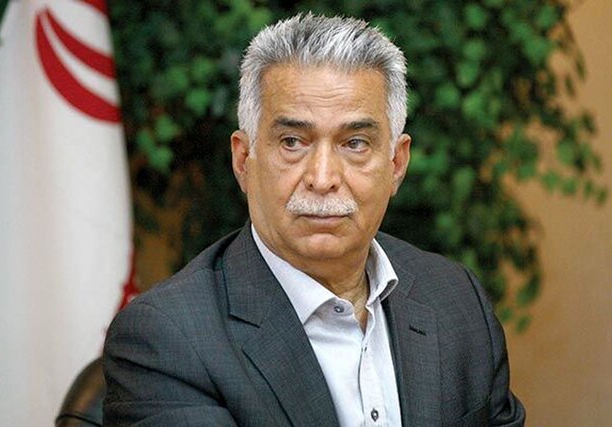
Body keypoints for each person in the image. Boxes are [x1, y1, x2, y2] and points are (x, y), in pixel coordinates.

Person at [103, 13, 525, 427]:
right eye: (292, 142)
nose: (322, 179)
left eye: (355, 143)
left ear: (397, 164)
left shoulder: (456, 301)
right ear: (243, 160)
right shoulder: (167, 337)